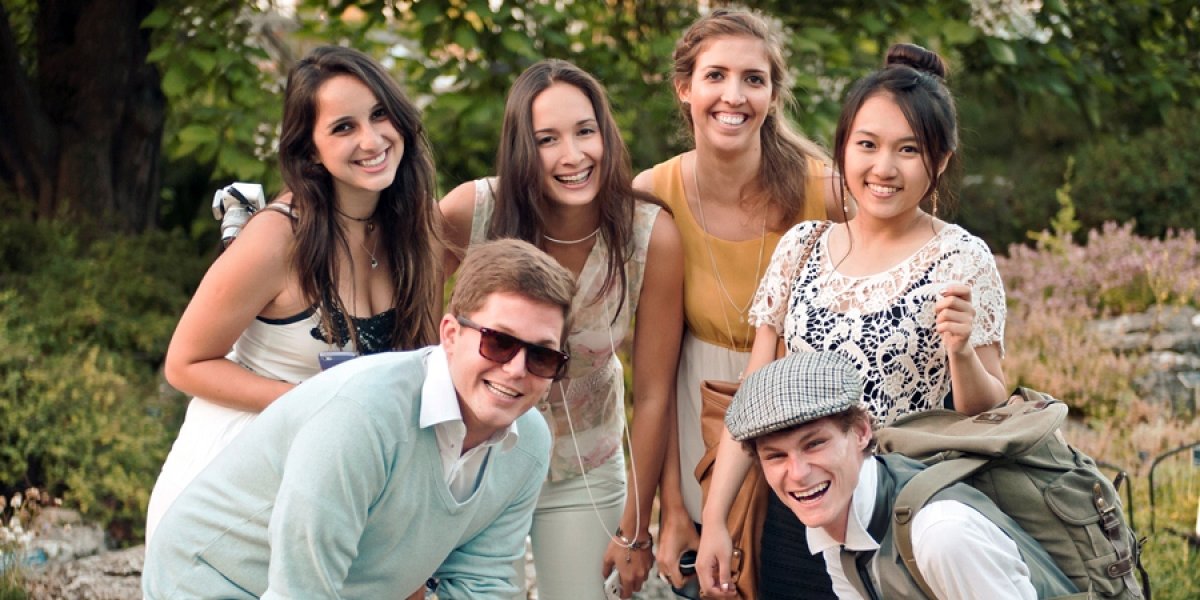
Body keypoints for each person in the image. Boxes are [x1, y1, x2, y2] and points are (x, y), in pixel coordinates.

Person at [697, 43, 1010, 599]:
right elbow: (754, 403)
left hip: (908, 518)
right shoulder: (802, 247)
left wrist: (961, 351)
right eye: (867, 145)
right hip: (797, 515)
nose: (883, 169)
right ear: (842, 150)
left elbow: (986, 415)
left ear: (938, 161)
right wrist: (717, 520)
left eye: (908, 150)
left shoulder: (962, 259)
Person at [143, 238, 576, 599]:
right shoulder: (363, 415)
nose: (517, 369)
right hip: (215, 579)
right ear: (450, 334)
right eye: (498, 342)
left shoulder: (530, 445)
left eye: (541, 354)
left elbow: (483, 584)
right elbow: (302, 589)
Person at [144, 45, 443, 542]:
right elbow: (185, 364)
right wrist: (314, 402)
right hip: (234, 489)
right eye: (343, 127)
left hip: (337, 487)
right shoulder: (276, 238)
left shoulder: (419, 229)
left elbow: (422, 365)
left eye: (379, 114)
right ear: (310, 151)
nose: (371, 140)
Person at [440, 59, 683, 599]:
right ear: (523, 147)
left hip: (584, 466)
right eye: (547, 138)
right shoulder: (472, 212)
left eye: (585, 131)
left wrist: (635, 528)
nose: (573, 156)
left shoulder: (649, 235)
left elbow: (654, 393)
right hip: (470, 462)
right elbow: (402, 317)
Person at [630, 7, 842, 593]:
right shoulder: (652, 193)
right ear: (684, 89)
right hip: (700, 421)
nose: (735, 95)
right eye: (716, 75)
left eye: (754, 79)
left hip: (808, 421)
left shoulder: (823, 188)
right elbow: (656, 377)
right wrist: (670, 509)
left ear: (773, 95)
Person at [722, 351, 1077, 600]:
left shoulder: (941, 536)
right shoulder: (835, 517)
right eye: (777, 456)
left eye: (815, 445)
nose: (798, 473)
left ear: (861, 432)